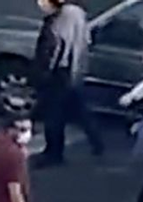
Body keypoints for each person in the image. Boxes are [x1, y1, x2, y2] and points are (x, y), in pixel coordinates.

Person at [31, 0, 102, 167]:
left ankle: (53, 154)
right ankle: (97, 142)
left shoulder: (62, 17)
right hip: (73, 70)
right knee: (78, 109)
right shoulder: (77, 13)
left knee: (54, 114)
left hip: (60, 73)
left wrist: (45, 72)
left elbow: (56, 45)